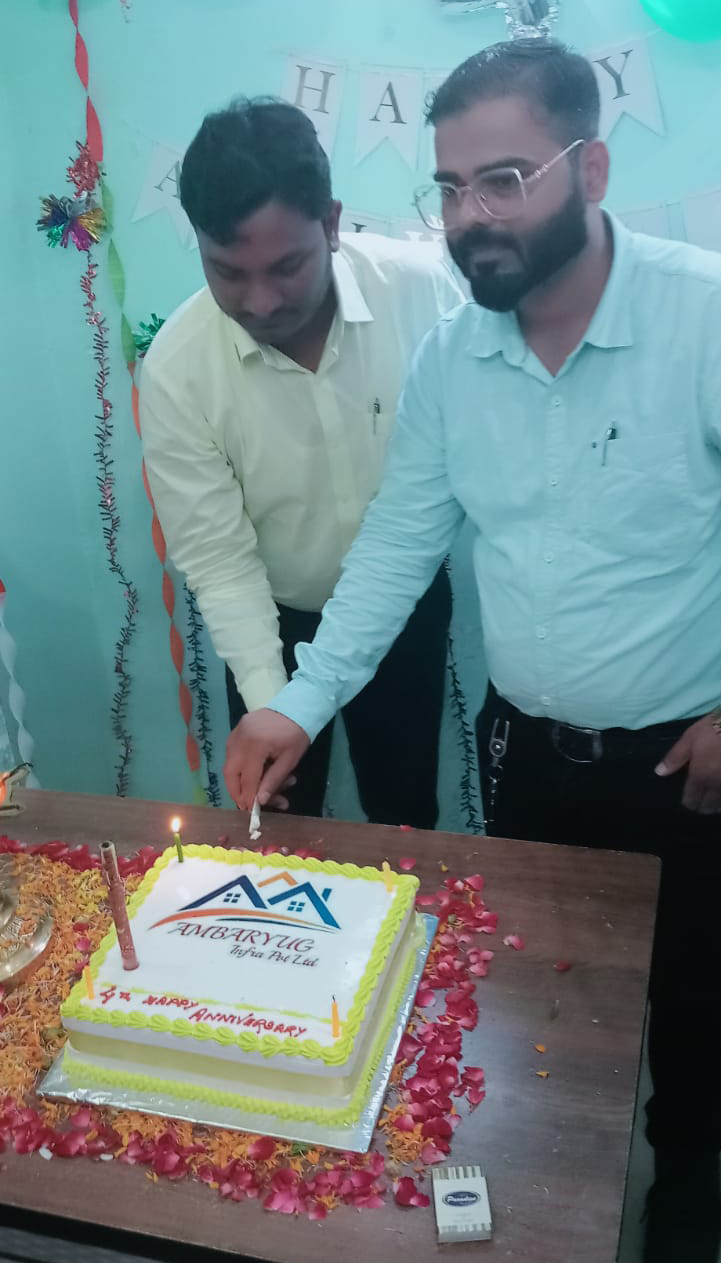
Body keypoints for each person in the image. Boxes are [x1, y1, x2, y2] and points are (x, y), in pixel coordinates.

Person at [224, 42, 721, 1263]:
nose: (468, 218)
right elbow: (400, 542)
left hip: (688, 759)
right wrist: (297, 703)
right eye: (448, 187)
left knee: (695, 1003)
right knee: (540, 996)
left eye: (503, 179)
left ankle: (688, 1189)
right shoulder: (455, 355)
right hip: (526, 754)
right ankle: (542, 1196)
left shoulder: (703, 317)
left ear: (589, 169)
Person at [140, 97, 464, 826]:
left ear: (331, 223)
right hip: (270, 619)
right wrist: (272, 701)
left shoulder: (423, 295)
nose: (259, 302)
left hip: (405, 607)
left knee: (403, 809)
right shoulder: (178, 368)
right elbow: (219, 560)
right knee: (275, 818)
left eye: (286, 266)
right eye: (227, 271)